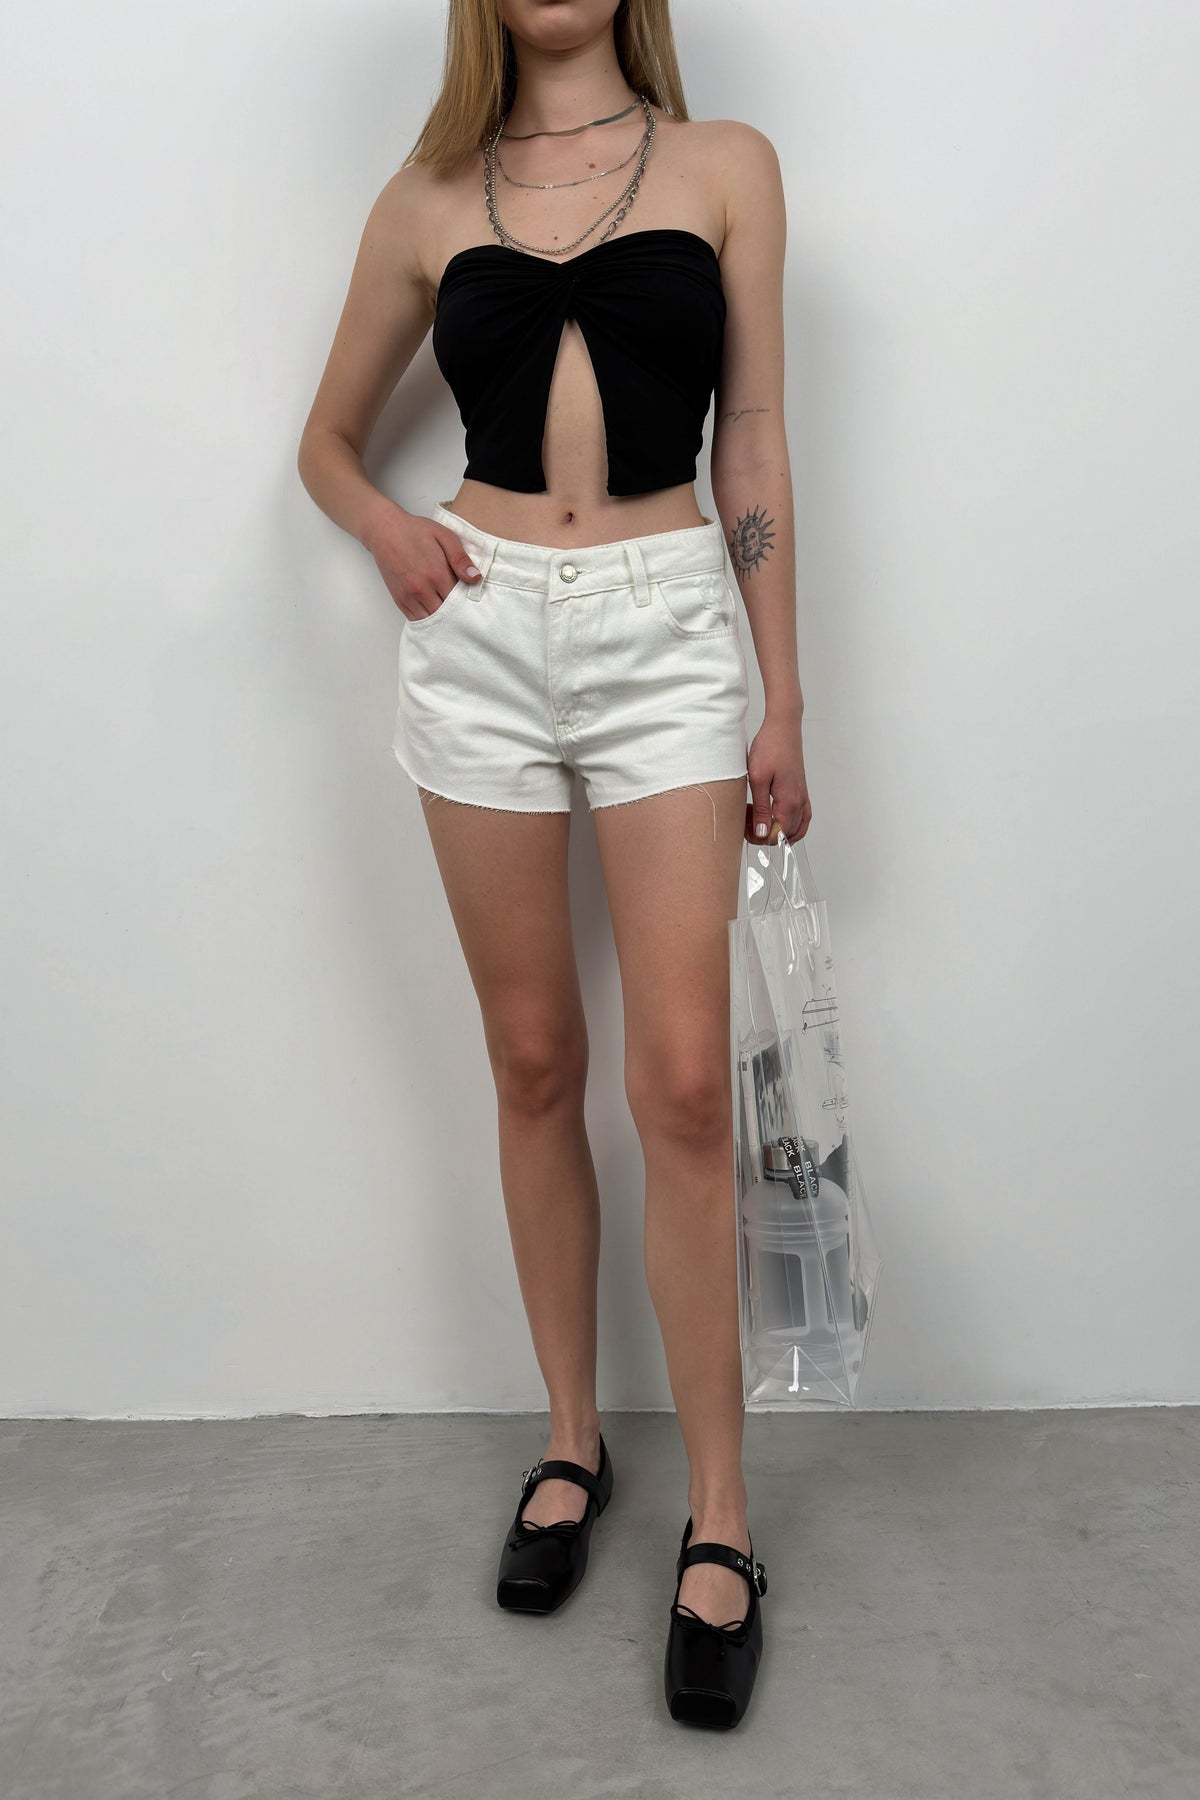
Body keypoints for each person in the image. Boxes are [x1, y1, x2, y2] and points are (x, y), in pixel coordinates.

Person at [297, 0, 810, 1731]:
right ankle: (573, 1445)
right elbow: (324, 443)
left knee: (683, 1085)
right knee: (531, 1060)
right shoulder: (429, 195)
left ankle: (721, 1520)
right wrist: (391, 532)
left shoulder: (726, 166)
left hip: (670, 628)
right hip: (481, 629)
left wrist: (782, 693)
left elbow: (752, 439)